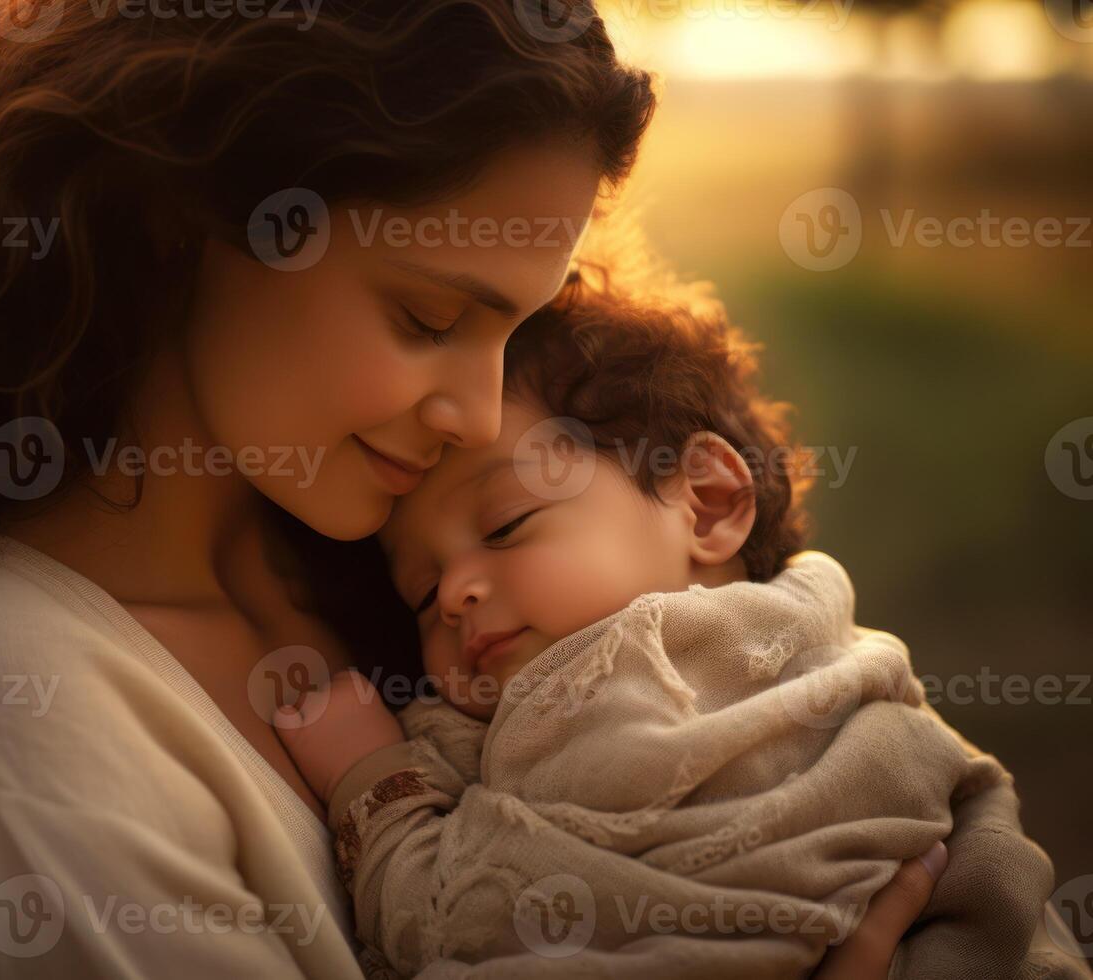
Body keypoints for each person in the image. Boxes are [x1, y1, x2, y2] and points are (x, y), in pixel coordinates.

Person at [0, 2, 942, 976]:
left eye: (513, 331)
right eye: (428, 314)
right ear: (184, 217)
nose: (476, 414)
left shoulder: (372, 563)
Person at [276, 279, 1090, 977]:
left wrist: (373, 781)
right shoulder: (841, 650)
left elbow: (462, 922)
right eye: (420, 595)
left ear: (705, 501)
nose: (453, 594)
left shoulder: (615, 677)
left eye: (505, 525)